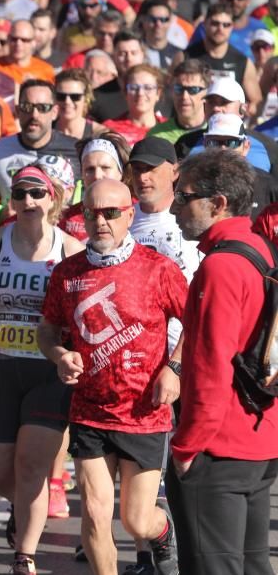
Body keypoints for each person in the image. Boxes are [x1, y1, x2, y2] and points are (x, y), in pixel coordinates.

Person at [40, 178, 186, 575]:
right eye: (92, 213)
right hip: (89, 411)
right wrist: (59, 355)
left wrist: (174, 369)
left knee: (136, 520)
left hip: (144, 412)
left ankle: (162, 533)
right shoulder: (68, 273)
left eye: (111, 213)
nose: (101, 221)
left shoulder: (159, 269)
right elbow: (48, 329)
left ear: (130, 214)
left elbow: (196, 322)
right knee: (93, 512)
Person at [0, 165, 84, 574]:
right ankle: (22, 505)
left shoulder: (67, 248)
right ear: (10, 200)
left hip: (48, 371)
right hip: (1, 366)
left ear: (53, 199)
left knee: (32, 464)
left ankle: (23, 557)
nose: (28, 202)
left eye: (37, 193)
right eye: (20, 194)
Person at [169, 150, 278, 575]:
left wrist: (187, 445)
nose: (175, 206)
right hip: (260, 438)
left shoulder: (221, 267)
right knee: (253, 568)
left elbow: (210, 367)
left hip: (219, 447)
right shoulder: (260, 250)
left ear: (218, 203)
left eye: (184, 196)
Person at [0, 79, 80, 227]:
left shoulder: (77, 150)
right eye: (27, 107)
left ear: (54, 112)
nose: (34, 115)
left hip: (66, 242)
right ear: (18, 111)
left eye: (43, 107)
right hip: (14, 240)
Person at [53, 69, 107, 140]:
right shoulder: (44, 130)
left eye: (75, 97)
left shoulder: (99, 134)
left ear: (86, 99)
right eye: (61, 96)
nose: (67, 101)